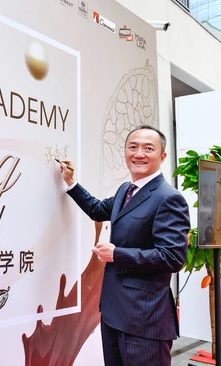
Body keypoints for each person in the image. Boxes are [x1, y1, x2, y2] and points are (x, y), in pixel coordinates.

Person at [58, 125, 190, 366]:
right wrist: (71, 182)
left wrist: (117, 254)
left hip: (145, 320)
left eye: (148, 148)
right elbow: (97, 209)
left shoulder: (169, 198)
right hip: (113, 313)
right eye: (133, 147)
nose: (139, 154)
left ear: (162, 156)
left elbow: (172, 257)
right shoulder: (125, 190)